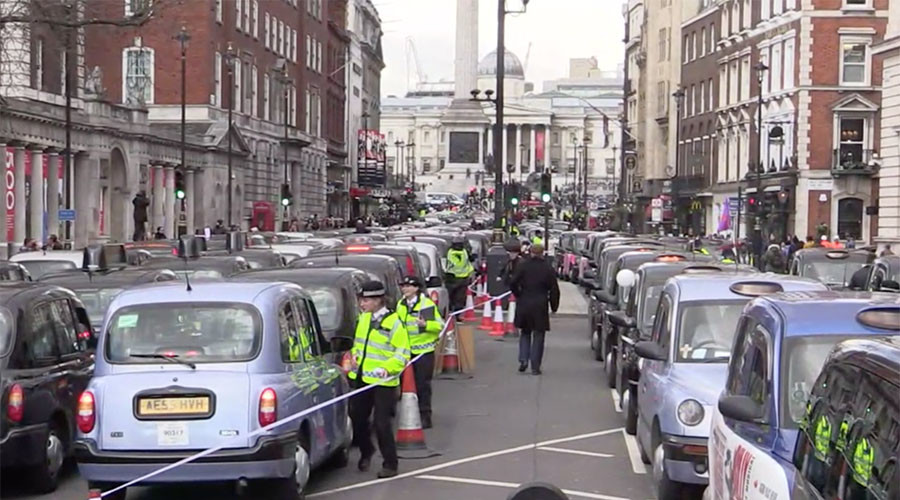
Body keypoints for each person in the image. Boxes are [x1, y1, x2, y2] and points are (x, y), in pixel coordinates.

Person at [348, 280, 410, 478]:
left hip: (384, 382)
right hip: (362, 378)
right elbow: (358, 344)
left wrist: (387, 368)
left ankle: (390, 464)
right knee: (357, 419)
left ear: (378, 300)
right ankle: (367, 451)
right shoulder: (364, 319)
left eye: (366, 300)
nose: (362, 304)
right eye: (361, 300)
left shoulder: (394, 322)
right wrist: (355, 356)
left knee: (381, 423)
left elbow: (402, 353)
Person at [396, 276, 443, 429]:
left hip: (423, 352)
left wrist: (426, 324)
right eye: (403, 286)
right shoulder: (400, 305)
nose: (405, 289)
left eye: (408, 286)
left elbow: (439, 326)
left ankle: (425, 416)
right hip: (406, 352)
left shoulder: (425, 304)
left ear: (416, 288)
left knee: (423, 385)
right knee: (407, 386)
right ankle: (410, 414)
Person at [509, 244, 560, 375]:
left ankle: (523, 359)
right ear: (542, 253)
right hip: (540, 303)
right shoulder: (548, 268)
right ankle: (535, 365)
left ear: (530, 252)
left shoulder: (523, 266)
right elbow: (554, 289)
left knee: (525, 333)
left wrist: (518, 294)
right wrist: (554, 306)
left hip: (524, 301)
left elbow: (513, 282)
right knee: (539, 334)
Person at [445, 235, 474, 311]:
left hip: (451, 277)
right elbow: (470, 259)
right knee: (459, 298)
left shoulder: (449, 252)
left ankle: (452, 310)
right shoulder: (464, 252)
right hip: (461, 278)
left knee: (451, 297)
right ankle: (457, 313)